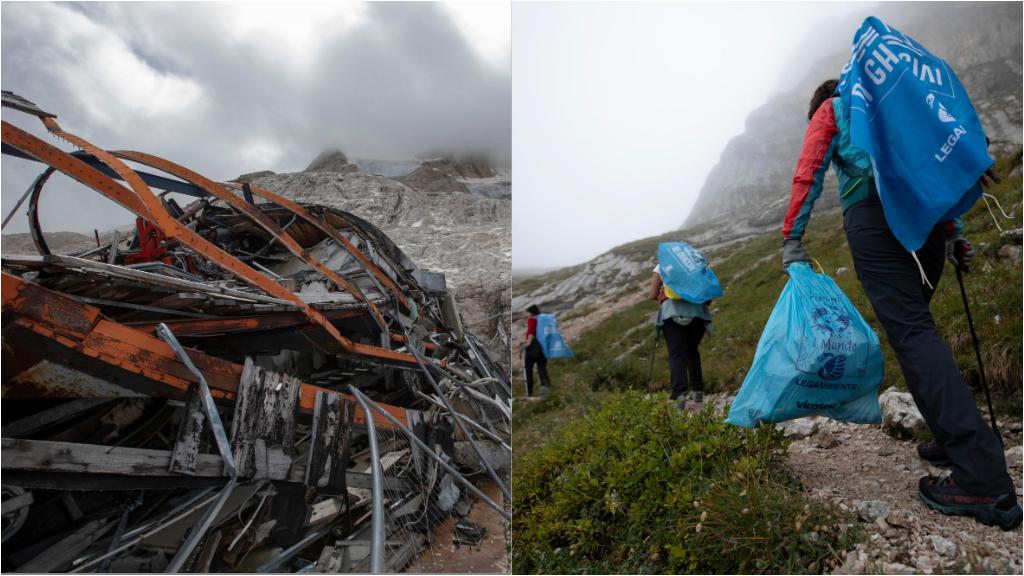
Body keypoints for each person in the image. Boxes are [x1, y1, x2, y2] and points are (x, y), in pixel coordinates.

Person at [782, 79, 1020, 529]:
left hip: (874, 222)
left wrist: (792, 240)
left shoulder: (833, 109)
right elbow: (931, 168)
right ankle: (953, 440)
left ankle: (984, 476)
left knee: (911, 332)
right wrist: (955, 234)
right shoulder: (888, 106)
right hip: (926, 222)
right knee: (916, 329)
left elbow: (808, 170)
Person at [649, 264, 712, 410]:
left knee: (676, 354)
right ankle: (698, 395)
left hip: (672, 313)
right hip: (698, 313)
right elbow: (709, 293)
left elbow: (652, 294)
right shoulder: (699, 264)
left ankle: (680, 397)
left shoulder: (662, 265)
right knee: (692, 352)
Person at [521, 304, 550, 398]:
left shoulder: (532, 320)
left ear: (531, 312)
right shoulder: (542, 320)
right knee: (542, 369)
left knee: (528, 370)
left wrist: (527, 343)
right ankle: (545, 388)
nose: (527, 314)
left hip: (533, 349)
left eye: (528, 312)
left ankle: (529, 392)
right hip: (543, 348)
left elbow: (531, 332)